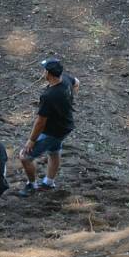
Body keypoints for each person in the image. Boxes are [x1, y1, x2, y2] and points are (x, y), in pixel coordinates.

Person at [17, 58, 80, 197]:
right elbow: (77, 83)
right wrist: (69, 100)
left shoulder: (49, 96)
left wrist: (31, 140)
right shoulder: (66, 79)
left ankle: (32, 185)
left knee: (25, 157)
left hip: (53, 131)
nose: (43, 72)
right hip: (66, 126)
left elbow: (40, 122)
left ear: (48, 73)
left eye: (44, 70)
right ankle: (49, 182)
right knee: (54, 151)